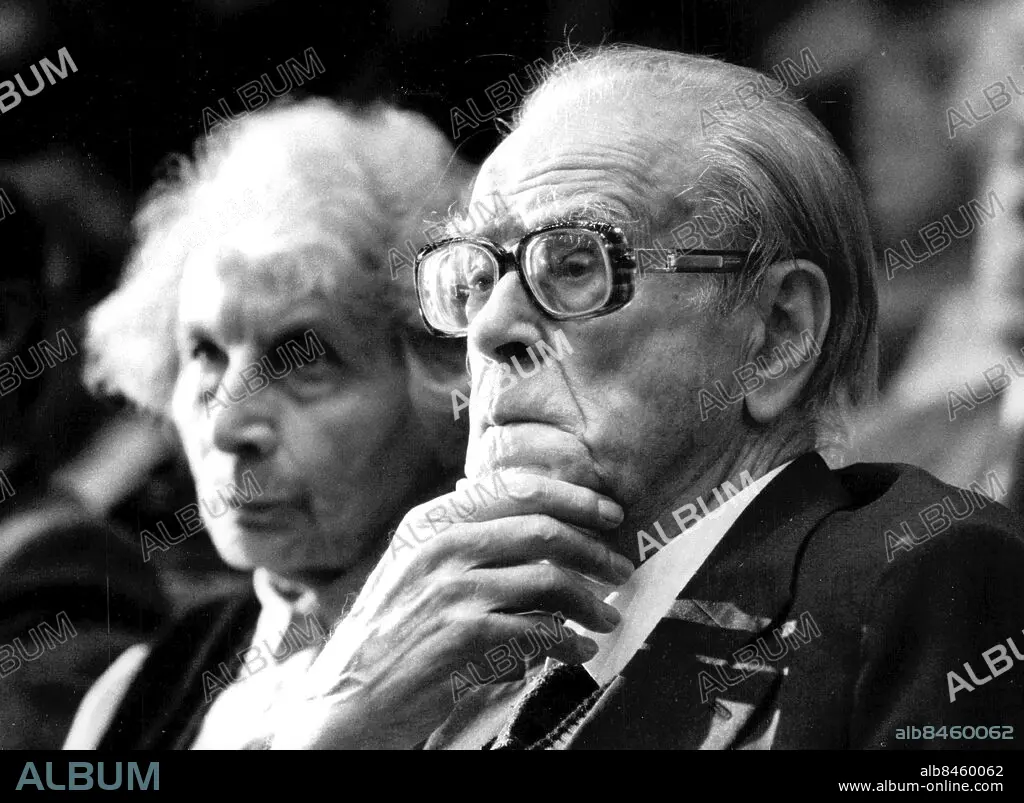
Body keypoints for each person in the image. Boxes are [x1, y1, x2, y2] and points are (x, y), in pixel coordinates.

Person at [267, 45, 1024, 751]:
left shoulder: (921, 582)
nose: (491, 327)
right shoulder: (438, 665)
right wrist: (336, 724)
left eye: (574, 265)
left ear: (777, 334)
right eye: (474, 278)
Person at [63, 98, 472, 749]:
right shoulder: (132, 694)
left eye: (302, 358)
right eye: (205, 352)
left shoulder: (517, 667)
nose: (227, 425)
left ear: (446, 372)